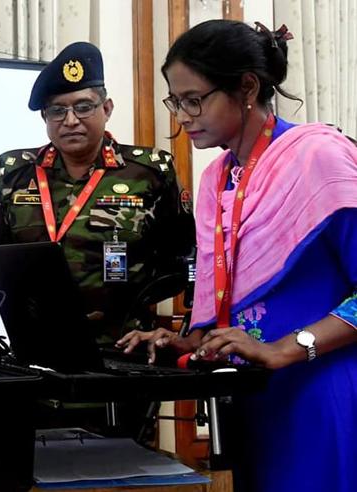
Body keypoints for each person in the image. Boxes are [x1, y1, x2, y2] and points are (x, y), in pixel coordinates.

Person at [116, 20, 357, 492]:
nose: (182, 116)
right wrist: (188, 341)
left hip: (318, 390)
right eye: (175, 101)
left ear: (247, 87)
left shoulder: (319, 157)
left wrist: (285, 348)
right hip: (249, 398)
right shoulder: (217, 179)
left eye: (194, 100)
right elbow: (233, 299)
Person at [0, 41, 195, 340]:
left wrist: (123, 300)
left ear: (107, 108)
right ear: (45, 117)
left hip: (126, 342)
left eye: (83, 107)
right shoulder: (13, 172)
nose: (71, 120)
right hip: (38, 341)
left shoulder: (151, 171)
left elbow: (183, 258)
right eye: (57, 111)